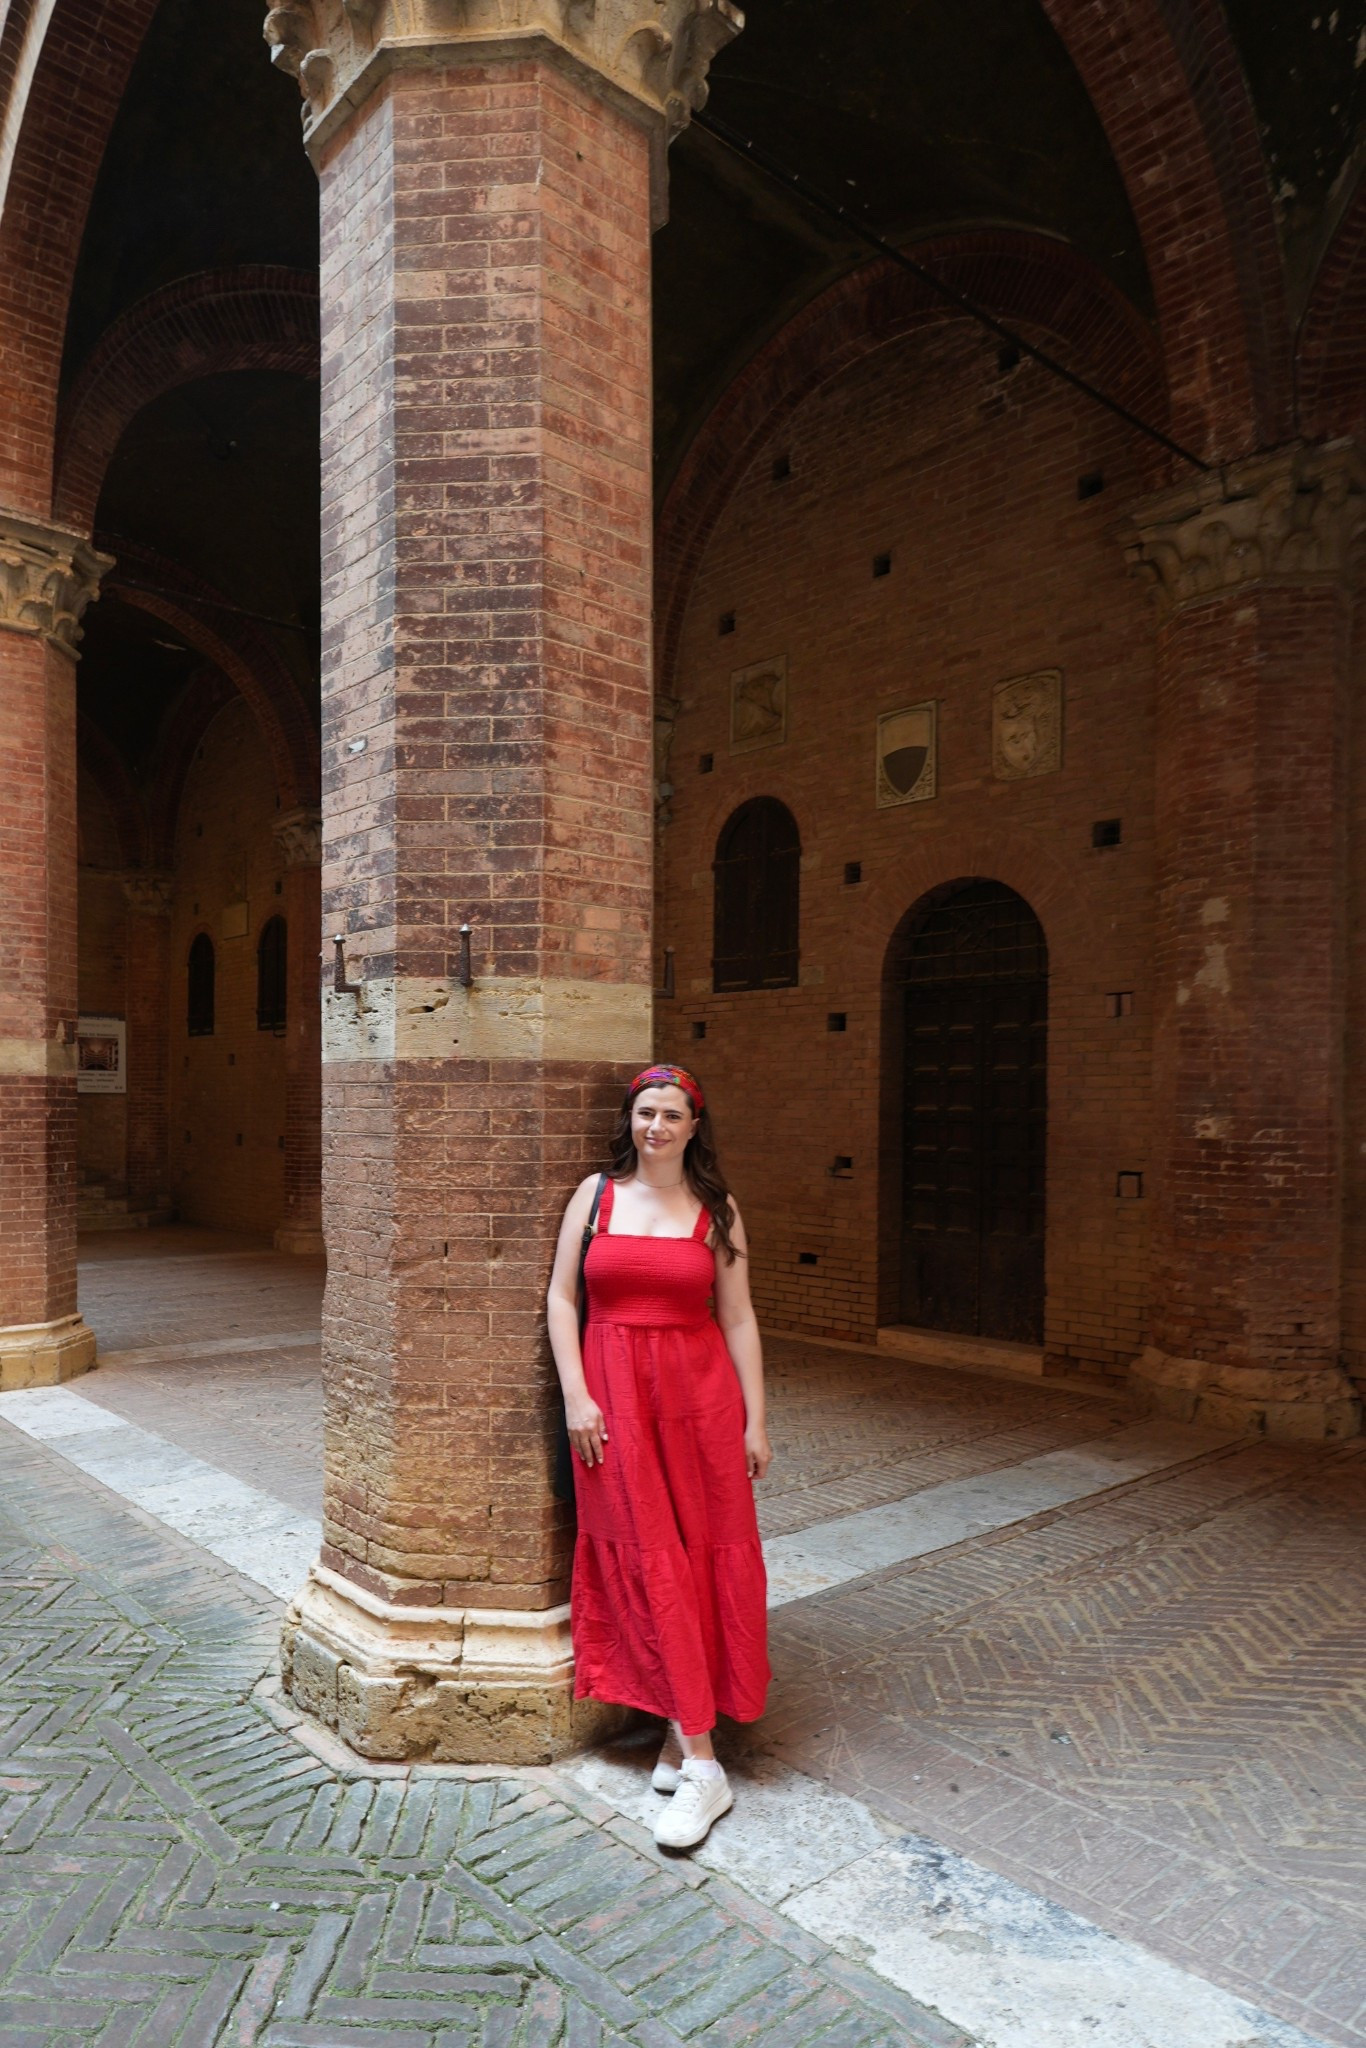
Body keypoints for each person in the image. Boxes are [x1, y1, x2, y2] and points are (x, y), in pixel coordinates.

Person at [546, 1064, 771, 1850]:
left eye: (673, 1114)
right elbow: (563, 1299)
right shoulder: (596, 1196)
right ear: (630, 1119)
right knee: (647, 1558)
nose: (657, 1127)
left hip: (700, 1404)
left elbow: (739, 1320)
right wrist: (577, 1394)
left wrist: (755, 1420)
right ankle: (700, 1755)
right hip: (614, 1403)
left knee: (702, 1562)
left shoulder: (716, 1209)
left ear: (693, 1125)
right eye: (646, 1112)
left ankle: (692, 1747)